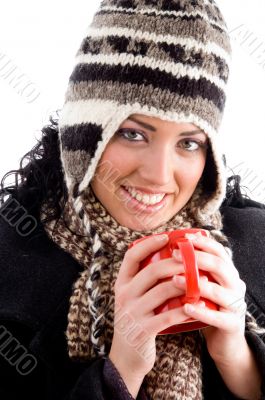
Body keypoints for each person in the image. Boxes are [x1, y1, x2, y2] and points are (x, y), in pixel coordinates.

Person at [1, 0, 265, 399]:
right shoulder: (11, 260)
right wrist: (122, 368)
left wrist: (238, 358)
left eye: (189, 142)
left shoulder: (255, 247)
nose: (159, 175)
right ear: (84, 133)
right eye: (133, 133)